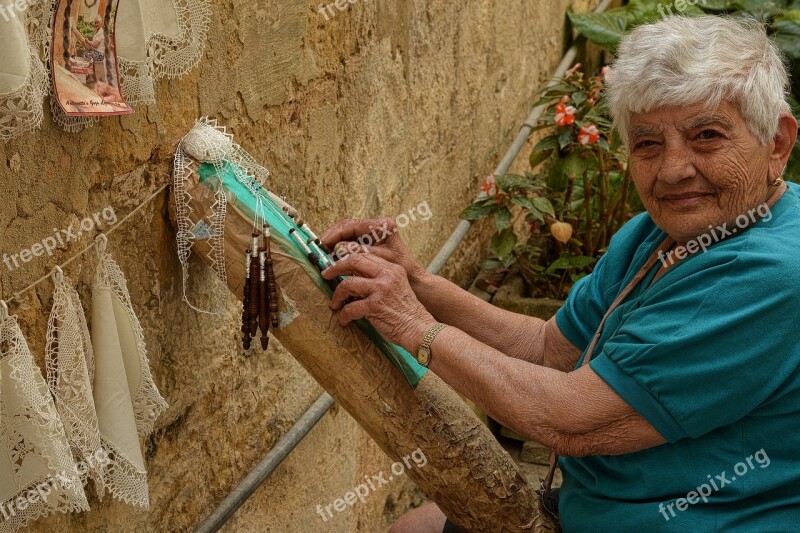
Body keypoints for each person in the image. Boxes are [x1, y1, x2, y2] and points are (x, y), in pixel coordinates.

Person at [320, 15, 800, 532]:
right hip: (597, 510)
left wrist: (414, 326)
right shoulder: (656, 234)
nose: (671, 170)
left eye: (706, 136)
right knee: (412, 527)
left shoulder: (768, 275)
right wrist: (419, 285)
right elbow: (553, 349)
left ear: (776, 142)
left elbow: (570, 420)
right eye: (647, 143)